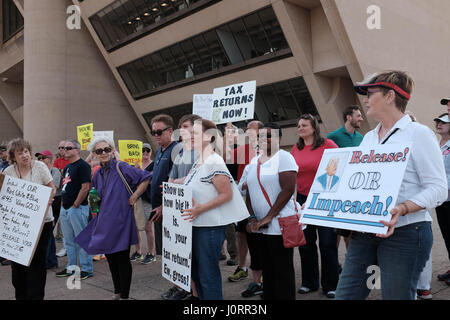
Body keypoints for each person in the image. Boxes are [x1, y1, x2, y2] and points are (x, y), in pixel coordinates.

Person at [335, 70, 447, 300]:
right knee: (346, 295)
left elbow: (438, 188)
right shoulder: (368, 138)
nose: (364, 99)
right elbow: (357, 185)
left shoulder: (419, 134)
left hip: (407, 233)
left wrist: (402, 208)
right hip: (364, 233)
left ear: (390, 96)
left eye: (370, 93)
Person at [180, 119, 249, 300]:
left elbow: (226, 194)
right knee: (197, 273)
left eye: (194, 133)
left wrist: (200, 209)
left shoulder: (214, 161)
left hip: (208, 228)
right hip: (196, 225)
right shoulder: (199, 162)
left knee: (207, 275)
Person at [75, 137, 151, 300]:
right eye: (99, 151)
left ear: (112, 150)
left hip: (121, 220)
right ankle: (117, 291)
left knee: (122, 258)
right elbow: (96, 194)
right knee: (110, 258)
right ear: (94, 154)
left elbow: (145, 177)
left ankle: (125, 295)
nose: (104, 153)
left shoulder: (120, 166)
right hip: (104, 221)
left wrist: (135, 195)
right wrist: (91, 199)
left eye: (107, 149)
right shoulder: (97, 173)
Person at [244, 122, 299, 300]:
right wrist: (253, 218)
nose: (265, 139)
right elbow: (250, 191)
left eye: (269, 135)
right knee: (267, 269)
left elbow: (288, 189)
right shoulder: (254, 161)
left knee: (282, 270)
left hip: (279, 223)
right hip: (259, 225)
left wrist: (269, 216)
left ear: (279, 138)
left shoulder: (284, 157)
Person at [291, 113, 339, 298]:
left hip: (324, 200)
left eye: (304, 125)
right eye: (298, 126)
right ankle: (309, 282)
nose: (300, 128)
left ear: (313, 127)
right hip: (303, 199)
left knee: (327, 243)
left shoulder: (328, 145)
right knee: (306, 243)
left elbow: (340, 166)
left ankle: (331, 285)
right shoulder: (296, 148)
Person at [3, 138, 56, 300]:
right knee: (18, 263)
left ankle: (36, 296)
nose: (25, 155)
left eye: (26, 151)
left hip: (42, 224)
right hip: (18, 226)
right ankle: (22, 295)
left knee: (37, 262)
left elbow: (52, 188)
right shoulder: (8, 172)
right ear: (13, 157)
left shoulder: (39, 167)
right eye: (20, 153)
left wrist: (48, 198)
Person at [161, 114, 201, 301]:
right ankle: (181, 287)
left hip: (196, 209)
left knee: (193, 254)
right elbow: (171, 180)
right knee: (178, 251)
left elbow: (193, 178)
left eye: (185, 126)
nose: (181, 129)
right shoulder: (181, 153)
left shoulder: (202, 151)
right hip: (178, 209)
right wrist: (173, 184)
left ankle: (194, 292)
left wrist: (175, 183)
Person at [228, 121, 264, 297]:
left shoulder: (266, 148)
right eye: (247, 128)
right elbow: (227, 158)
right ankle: (242, 266)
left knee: (258, 236)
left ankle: (261, 275)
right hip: (243, 199)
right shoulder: (242, 149)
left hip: (260, 201)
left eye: (251, 127)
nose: (248, 130)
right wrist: (229, 135)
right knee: (241, 233)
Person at [55, 140, 93, 280]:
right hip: (65, 208)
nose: (65, 150)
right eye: (63, 148)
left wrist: (75, 205)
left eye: (68, 148)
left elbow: (85, 187)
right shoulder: (67, 167)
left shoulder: (83, 165)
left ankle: (87, 269)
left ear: (77, 150)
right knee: (69, 241)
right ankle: (71, 267)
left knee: (82, 239)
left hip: (77, 208)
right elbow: (65, 187)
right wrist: (64, 206)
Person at [327, 106, 364, 248]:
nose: (361, 118)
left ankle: (351, 261)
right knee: (335, 229)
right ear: (349, 117)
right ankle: (334, 263)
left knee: (351, 228)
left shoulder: (362, 138)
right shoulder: (333, 137)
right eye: (358, 116)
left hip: (355, 188)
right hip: (338, 188)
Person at [148, 114, 180, 256]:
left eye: (159, 132)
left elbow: (177, 183)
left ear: (170, 131)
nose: (156, 135)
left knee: (174, 252)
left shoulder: (177, 150)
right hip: (158, 210)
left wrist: (163, 206)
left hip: (169, 210)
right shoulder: (160, 151)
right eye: (153, 132)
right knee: (164, 253)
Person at [130, 143, 156, 265]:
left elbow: (151, 180)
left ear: (151, 152)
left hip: (147, 199)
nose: (145, 153)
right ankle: (138, 251)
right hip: (136, 199)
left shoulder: (154, 164)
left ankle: (151, 253)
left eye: (147, 150)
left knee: (148, 227)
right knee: (135, 226)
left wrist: (139, 170)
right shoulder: (133, 164)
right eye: (142, 150)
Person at [35, 149, 62, 270]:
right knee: (46, 233)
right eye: (39, 158)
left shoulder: (54, 170)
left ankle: (51, 261)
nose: (40, 160)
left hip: (54, 201)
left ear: (49, 159)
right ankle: (48, 260)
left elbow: (54, 187)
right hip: (43, 202)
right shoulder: (38, 171)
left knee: (49, 232)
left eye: (43, 158)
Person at [433, 113, 450, 287]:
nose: (439, 124)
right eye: (438, 121)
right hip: (440, 199)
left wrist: (439, 183)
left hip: (448, 196)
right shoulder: (436, 145)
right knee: (446, 235)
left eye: (444, 122)